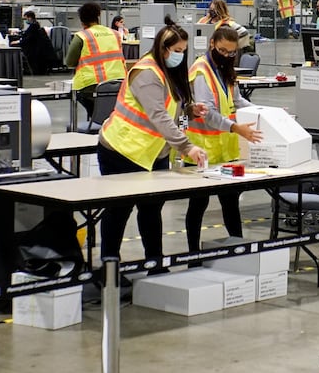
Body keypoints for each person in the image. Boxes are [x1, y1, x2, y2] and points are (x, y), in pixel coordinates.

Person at [97, 18, 208, 268]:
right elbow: (157, 115)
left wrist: (189, 110)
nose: (180, 56)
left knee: (151, 209)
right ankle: (110, 267)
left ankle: (155, 262)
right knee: (118, 211)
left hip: (152, 155)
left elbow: (169, 107)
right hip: (121, 150)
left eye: (183, 51)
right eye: (177, 51)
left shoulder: (167, 71)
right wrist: (187, 146)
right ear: (163, 48)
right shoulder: (146, 73)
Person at [184, 26, 263, 255]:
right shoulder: (201, 71)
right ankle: (193, 254)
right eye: (222, 50)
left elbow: (238, 101)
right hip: (201, 149)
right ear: (212, 45)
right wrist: (236, 127)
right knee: (198, 204)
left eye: (231, 52)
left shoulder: (226, 68)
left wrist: (266, 111)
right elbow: (206, 114)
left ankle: (237, 249)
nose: (227, 55)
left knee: (230, 201)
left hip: (226, 151)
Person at [66, 2, 127, 118]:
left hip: (91, 86)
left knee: (82, 96)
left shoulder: (81, 36)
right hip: (119, 83)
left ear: (82, 20)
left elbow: (69, 62)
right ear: (98, 17)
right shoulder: (115, 34)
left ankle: (95, 119)